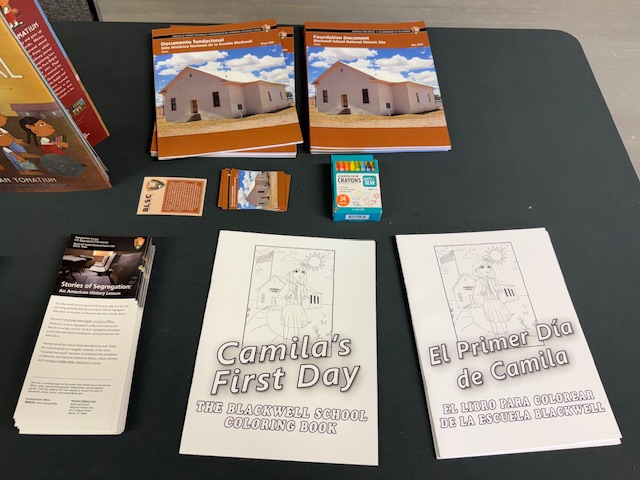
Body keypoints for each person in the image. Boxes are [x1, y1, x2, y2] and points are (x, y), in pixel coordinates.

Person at [472, 258, 512, 336]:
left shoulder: (493, 280)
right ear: (477, 269)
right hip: (488, 303)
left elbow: (499, 289)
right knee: (492, 320)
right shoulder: (479, 282)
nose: (486, 269)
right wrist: (482, 294)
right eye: (482, 267)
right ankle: (496, 335)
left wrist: (499, 293)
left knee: (502, 319)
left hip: (497, 301)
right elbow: (476, 294)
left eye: (489, 267)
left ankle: (506, 333)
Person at [276, 262, 311, 345]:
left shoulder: (302, 287)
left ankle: (295, 343)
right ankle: (284, 342)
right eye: (296, 271)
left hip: (298, 308)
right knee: (287, 326)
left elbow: (306, 302)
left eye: (303, 272)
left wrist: (304, 298)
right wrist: (287, 296)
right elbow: (279, 298)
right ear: (290, 272)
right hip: (288, 308)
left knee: (297, 326)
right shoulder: (287, 286)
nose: (300, 274)